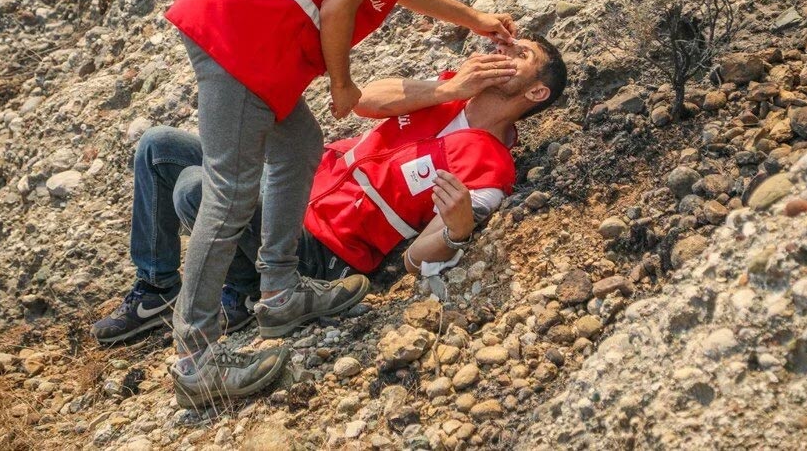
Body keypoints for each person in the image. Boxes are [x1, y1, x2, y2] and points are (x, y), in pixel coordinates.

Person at [160, 0, 520, 406]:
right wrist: (341, 85)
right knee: (229, 193)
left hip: (235, 8)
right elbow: (338, 10)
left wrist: (472, 18)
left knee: (300, 146)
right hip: (241, 35)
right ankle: (195, 358)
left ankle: (279, 292)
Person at [92, 37, 566, 350]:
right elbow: (362, 100)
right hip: (289, 185)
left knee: (195, 191)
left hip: (322, 247)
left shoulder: (492, 165)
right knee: (158, 147)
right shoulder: (448, 91)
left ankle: (240, 293)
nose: (502, 48)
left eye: (520, 54)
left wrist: (459, 229)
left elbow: (418, 258)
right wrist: (450, 90)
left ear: (536, 93)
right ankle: (155, 290)